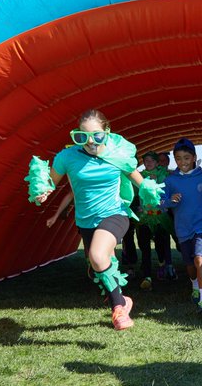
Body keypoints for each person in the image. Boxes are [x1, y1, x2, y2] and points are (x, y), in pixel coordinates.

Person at [34, 110, 146, 331]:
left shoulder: (118, 155)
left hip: (114, 213)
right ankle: (123, 301)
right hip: (85, 220)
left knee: (97, 254)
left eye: (97, 135)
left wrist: (156, 197)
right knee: (98, 266)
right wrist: (43, 191)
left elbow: (140, 182)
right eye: (82, 136)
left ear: (107, 131)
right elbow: (51, 182)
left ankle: (119, 308)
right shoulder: (68, 157)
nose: (90, 141)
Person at [161, 138, 202, 316]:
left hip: (201, 225)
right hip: (182, 228)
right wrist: (170, 201)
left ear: (194, 157)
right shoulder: (170, 180)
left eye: (187, 157)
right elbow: (161, 204)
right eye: (179, 158)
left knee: (199, 258)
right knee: (190, 266)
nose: (183, 162)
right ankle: (195, 285)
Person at [135, 151, 173, 288]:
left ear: (157, 163)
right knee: (145, 247)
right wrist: (137, 206)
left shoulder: (165, 175)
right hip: (144, 216)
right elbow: (131, 192)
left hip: (160, 217)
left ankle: (162, 264)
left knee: (160, 246)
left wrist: (166, 204)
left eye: (151, 161)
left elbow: (170, 191)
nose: (148, 163)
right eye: (146, 161)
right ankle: (147, 277)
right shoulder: (139, 177)